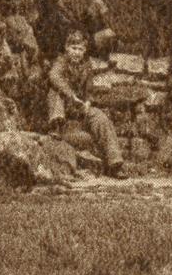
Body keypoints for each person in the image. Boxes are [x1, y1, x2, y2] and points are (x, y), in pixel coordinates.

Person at [46, 30, 125, 176]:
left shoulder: (86, 66)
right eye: (73, 48)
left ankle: (114, 163)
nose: (77, 52)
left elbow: (89, 89)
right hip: (63, 107)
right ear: (66, 48)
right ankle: (55, 126)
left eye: (80, 49)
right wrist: (70, 95)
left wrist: (88, 102)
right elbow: (54, 77)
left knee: (99, 116)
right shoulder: (61, 61)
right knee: (55, 92)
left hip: (78, 107)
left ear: (85, 51)